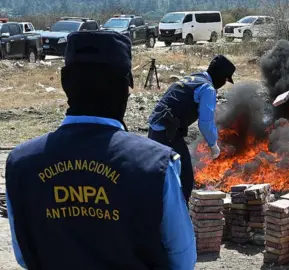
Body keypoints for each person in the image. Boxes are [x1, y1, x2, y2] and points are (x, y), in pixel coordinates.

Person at [5, 30, 196, 270]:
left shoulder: (20, 163)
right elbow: (183, 261)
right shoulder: (155, 164)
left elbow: (24, 256)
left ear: (65, 83)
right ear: (126, 87)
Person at [147, 54, 236, 204]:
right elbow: (205, 123)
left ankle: (159, 210)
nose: (224, 84)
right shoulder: (207, 88)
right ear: (221, 77)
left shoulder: (194, 78)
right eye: (226, 80)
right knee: (186, 177)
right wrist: (213, 145)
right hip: (166, 133)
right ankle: (182, 217)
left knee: (161, 173)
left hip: (155, 129)